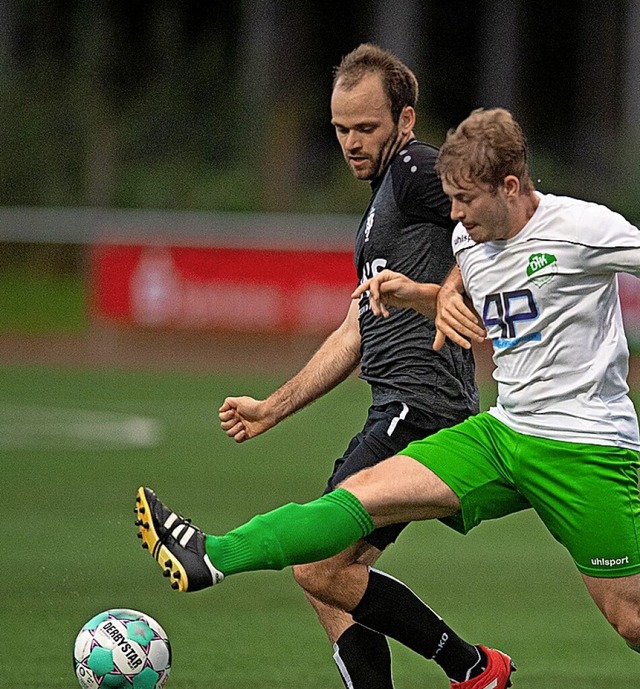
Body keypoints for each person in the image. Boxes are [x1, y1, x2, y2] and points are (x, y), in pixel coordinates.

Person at [136, 107, 640, 680]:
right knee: (358, 498)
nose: (453, 215)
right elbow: (475, 295)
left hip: (585, 447)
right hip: (502, 434)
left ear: (509, 186)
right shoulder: (470, 242)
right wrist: (421, 294)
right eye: (448, 199)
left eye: (464, 201)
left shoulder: (584, 229)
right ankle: (214, 556)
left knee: (631, 620)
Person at [216, 43, 484, 689]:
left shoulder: (416, 170)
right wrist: (271, 407)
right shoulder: (373, 216)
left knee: (316, 563)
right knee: (327, 576)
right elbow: (355, 329)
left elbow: (491, 218)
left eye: (366, 127)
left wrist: (446, 288)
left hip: (419, 407)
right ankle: (463, 670)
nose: (351, 142)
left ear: (406, 120)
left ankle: (471, 666)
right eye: (340, 129)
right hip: (397, 407)